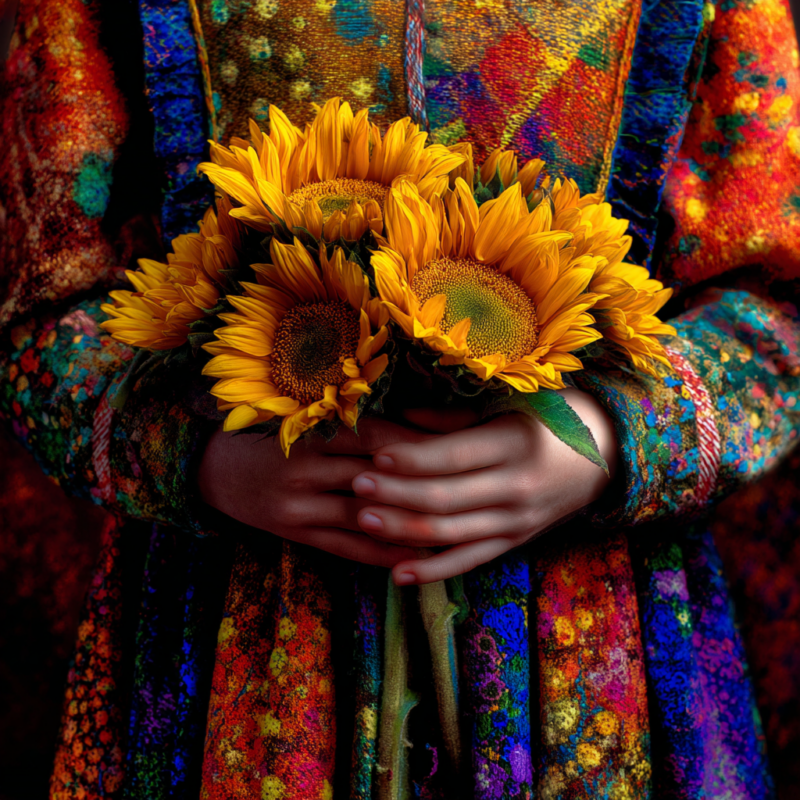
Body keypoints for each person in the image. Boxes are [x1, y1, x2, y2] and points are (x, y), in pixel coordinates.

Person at [1, 0, 799, 798]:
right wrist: (199, 456)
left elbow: (780, 309)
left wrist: (607, 438)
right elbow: (36, 309)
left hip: (592, 646)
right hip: (237, 650)